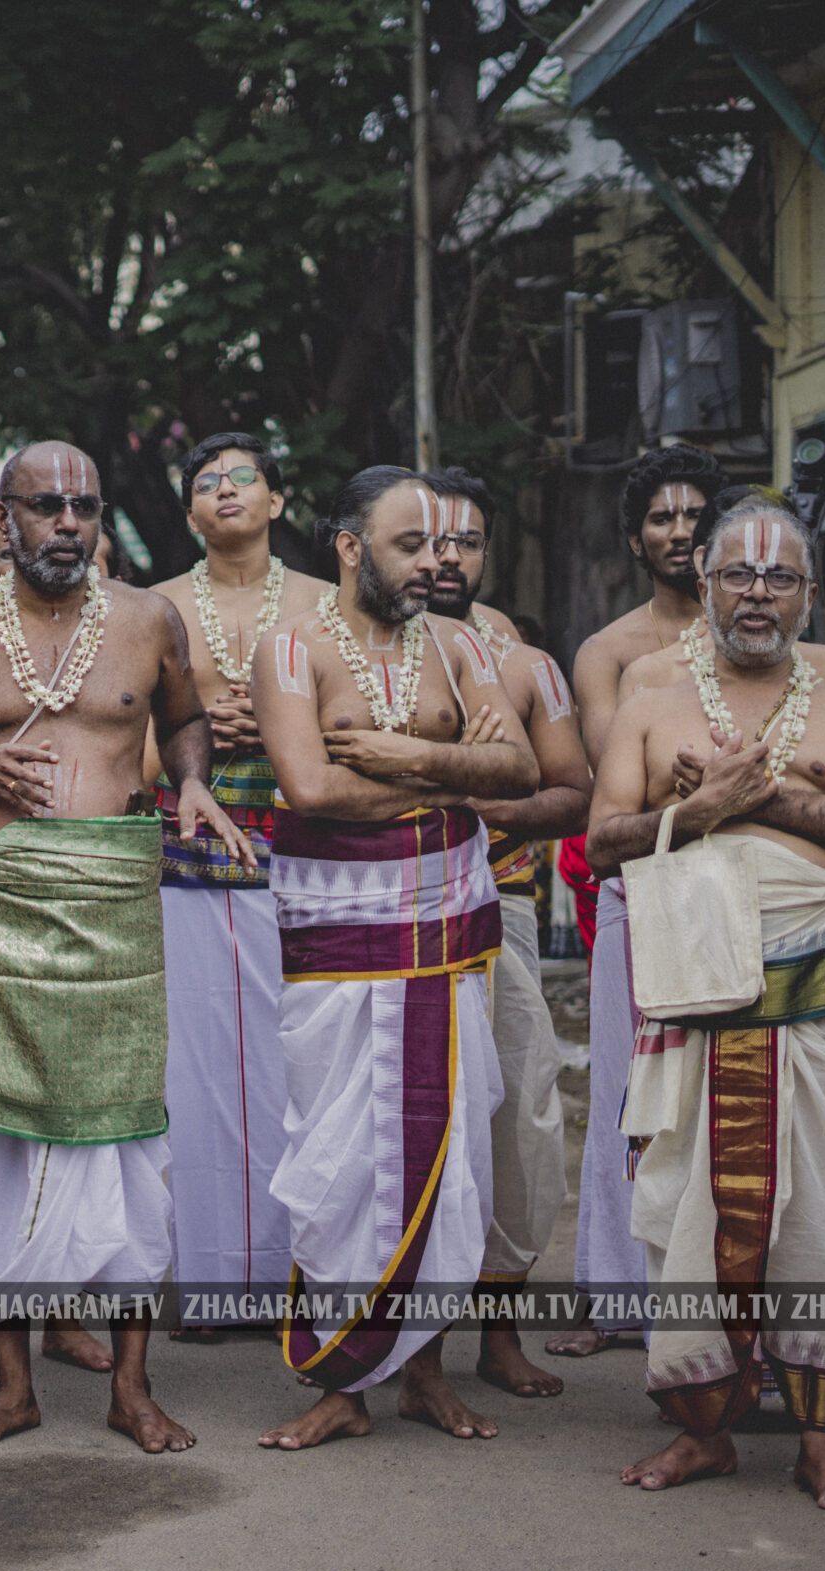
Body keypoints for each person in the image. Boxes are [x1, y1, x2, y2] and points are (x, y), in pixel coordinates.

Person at [0, 440, 252, 1454]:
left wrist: (190, 782)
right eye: (45, 508)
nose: (66, 526)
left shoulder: (146, 620)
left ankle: (133, 1390)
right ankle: (12, 1387)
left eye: (82, 509)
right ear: (2, 519)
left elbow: (183, 721)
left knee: (129, 1148)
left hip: (111, 907)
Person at [588, 498, 825, 1509]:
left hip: (811, 1006)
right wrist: (693, 813)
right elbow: (603, 834)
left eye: (777, 577)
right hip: (689, 1002)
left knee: (824, 1220)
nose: (756, 593)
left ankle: (820, 1441)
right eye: (737, 575)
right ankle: (701, 1433)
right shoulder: (651, 700)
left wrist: (766, 796)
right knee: (681, 1217)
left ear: (808, 593)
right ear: (702, 584)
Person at [248, 468, 537, 1452]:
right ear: (346, 547)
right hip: (338, 945)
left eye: (444, 546)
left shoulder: (459, 646)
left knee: (445, 1160)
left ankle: (424, 1373)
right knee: (343, 1164)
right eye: (409, 545)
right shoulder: (290, 649)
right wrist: (455, 781)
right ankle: (342, 1380)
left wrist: (406, 759)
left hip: (448, 937)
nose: (434, 562)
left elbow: (520, 772)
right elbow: (309, 787)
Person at [156, 432, 330, 1338]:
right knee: (197, 1072)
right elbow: (119, 740)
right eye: (206, 484)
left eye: (242, 478)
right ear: (189, 513)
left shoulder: (325, 605)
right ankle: (211, 1276)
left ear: (276, 500)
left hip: (304, 851)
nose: (224, 491)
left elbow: (354, 717)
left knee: (297, 1064)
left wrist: (280, 726)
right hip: (185, 860)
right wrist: (196, 737)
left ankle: (309, 1268)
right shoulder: (150, 609)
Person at [552, 444, 724, 1356]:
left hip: (738, 889)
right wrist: (684, 783)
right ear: (634, 537)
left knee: (720, 1093)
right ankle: (617, 1294)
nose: (680, 531)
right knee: (628, 1090)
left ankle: (711, 1287)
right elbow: (611, 785)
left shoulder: (764, 640)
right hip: (638, 885)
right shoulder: (607, 652)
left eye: (696, 516)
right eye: (662, 517)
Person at [423, 468, 591, 1397]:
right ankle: (407, 1346)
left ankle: (497, 1333)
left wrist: (488, 814)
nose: (448, 557)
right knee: (412, 1124)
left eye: (467, 541)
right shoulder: (350, 648)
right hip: (387, 915)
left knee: (520, 1119)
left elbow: (575, 792)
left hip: (503, 908)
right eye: (429, 538)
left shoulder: (524, 661)